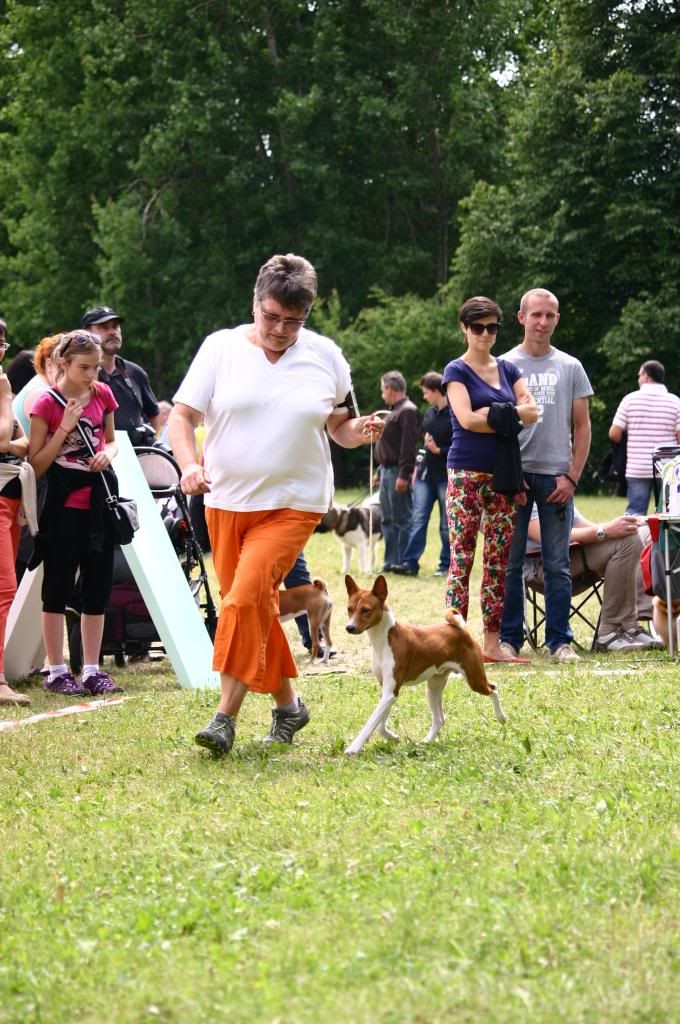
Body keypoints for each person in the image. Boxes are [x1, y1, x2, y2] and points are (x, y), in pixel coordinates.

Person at [168, 253, 383, 756]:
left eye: (295, 321)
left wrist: (360, 430)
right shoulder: (220, 348)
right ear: (255, 303)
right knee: (253, 608)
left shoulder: (326, 356)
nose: (282, 330)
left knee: (243, 600)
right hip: (225, 500)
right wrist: (188, 465)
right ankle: (289, 705)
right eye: (272, 317)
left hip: (295, 502)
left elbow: (340, 426)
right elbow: (182, 418)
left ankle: (224, 717)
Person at [499, 287, 593, 662]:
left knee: (558, 564)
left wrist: (572, 477)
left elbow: (583, 427)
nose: (543, 322)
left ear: (557, 319)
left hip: (556, 480)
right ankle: (509, 639)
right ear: (521, 317)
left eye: (549, 315)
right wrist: (509, 476)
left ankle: (559, 642)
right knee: (510, 565)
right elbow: (496, 427)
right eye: (536, 314)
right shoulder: (503, 365)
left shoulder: (570, 366)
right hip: (515, 479)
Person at [28, 331, 124, 696]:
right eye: (84, 367)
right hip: (62, 506)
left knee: (96, 589)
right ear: (63, 364)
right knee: (57, 587)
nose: (91, 375)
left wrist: (107, 455)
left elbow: (111, 440)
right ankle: (56, 670)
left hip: (98, 505)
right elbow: (36, 464)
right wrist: (64, 429)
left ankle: (92, 669)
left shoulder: (102, 394)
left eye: (96, 367)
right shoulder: (46, 403)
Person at [443, 296, 537, 663]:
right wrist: (510, 414)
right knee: (461, 560)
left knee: (498, 563)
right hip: (465, 474)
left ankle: (492, 645)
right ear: (464, 328)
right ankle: (454, 643)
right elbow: (466, 420)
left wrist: (493, 412)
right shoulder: (456, 370)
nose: (485, 334)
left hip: (503, 476)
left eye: (492, 327)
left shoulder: (509, 369)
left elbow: (533, 412)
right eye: (478, 327)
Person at [525, 506, 662, 652]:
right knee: (627, 542)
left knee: (635, 534)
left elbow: (585, 526)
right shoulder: (532, 496)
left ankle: (629, 626)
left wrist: (624, 525)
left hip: (569, 556)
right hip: (541, 565)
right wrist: (604, 530)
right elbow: (549, 537)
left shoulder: (560, 494)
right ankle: (610, 631)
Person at [0, 340, 35, 707]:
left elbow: (22, 443)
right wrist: (5, 395)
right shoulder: (3, 388)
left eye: (1, 342)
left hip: (11, 496)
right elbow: (4, 437)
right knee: (5, 587)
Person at [393, 372, 452, 577]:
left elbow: (462, 446)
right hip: (425, 476)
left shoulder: (456, 414)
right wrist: (417, 468)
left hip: (446, 477)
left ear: (436, 391)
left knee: (446, 524)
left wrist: (440, 451)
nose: (424, 397)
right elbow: (424, 445)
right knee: (418, 519)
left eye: (426, 393)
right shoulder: (429, 413)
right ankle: (410, 563)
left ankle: (446, 565)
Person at [81, 306, 161, 446]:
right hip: (99, 455)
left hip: (138, 455)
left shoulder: (135, 372)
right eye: (104, 327)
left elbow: (154, 413)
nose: (112, 332)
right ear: (88, 333)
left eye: (115, 326)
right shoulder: (81, 375)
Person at [609, 361, 680, 515]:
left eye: (639, 375)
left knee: (636, 512)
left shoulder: (629, 400)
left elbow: (614, 433)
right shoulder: (675, 402)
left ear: (646, 376)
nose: (638, 379)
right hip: (667, 468)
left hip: (637, 467)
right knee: (669, 513)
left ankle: (634, 532)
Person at [375, 370, 420, 571]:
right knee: (387, 518)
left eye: (382, 389)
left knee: (402, 518)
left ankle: (403, 562)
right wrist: (379, 471)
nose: (382, 394)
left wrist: (404, 475)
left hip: (397, 472)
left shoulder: (407, 410)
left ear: (389, 388)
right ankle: (390, 561)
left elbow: (408, 447)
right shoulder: (393, 411)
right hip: (386, 471)